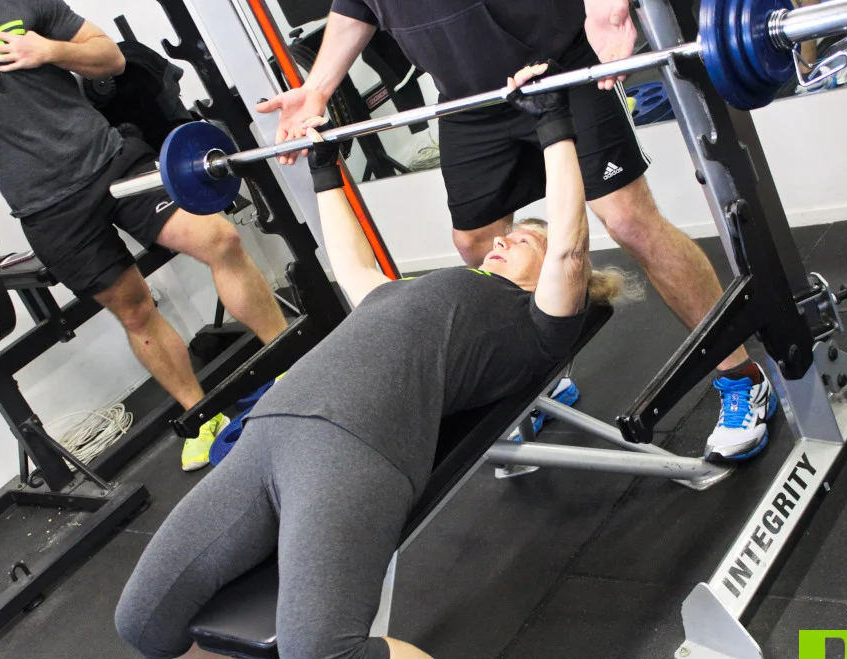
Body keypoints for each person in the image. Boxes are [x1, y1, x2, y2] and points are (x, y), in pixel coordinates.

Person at [115, 64, 628, 659]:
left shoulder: (538, 322)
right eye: (508, 235)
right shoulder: (422, 290)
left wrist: (555, 125)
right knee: (143, 622)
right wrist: (326, 167)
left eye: (524, 241)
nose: (502, 241)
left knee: (322, 657)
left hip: (357, 443)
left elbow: (570, 245)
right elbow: (355, 270)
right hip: (267, 431)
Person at [257, 0, 776, 462]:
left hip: (560, 64)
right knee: (474, 242)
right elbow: (357, 7)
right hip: (468, 99)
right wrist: (317, 90)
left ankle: (739, 376)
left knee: (628, 220)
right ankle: (535, 368)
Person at [0, 0, 289, 471]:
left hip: (112, 161)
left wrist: (48, 50)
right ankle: (202, 418)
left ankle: (289, 362)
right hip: (47, 209)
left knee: (220, 240)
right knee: (135, 311)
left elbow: (111, 58)